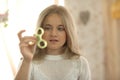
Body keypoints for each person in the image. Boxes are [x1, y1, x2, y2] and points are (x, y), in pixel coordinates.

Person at [14, 4, 91, 80]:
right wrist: (27, 60)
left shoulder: (80, 63)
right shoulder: (28, 61)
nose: (53, 34)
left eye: (60, 29)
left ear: (68, 32)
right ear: (40, 31)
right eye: (47, 28)